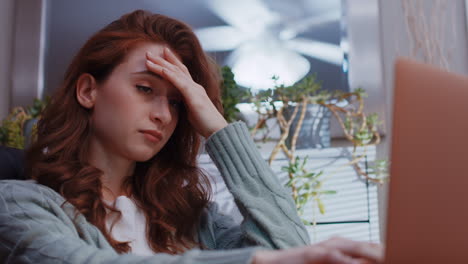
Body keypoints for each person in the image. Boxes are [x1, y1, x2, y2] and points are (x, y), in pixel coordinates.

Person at [0, 10, 383, 264]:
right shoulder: (19, 204)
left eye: (178, 103)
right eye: (145, 89)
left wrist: (218, 126)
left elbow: (291, 250)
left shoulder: (192, 220)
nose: (164, 115)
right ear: (88, 91)